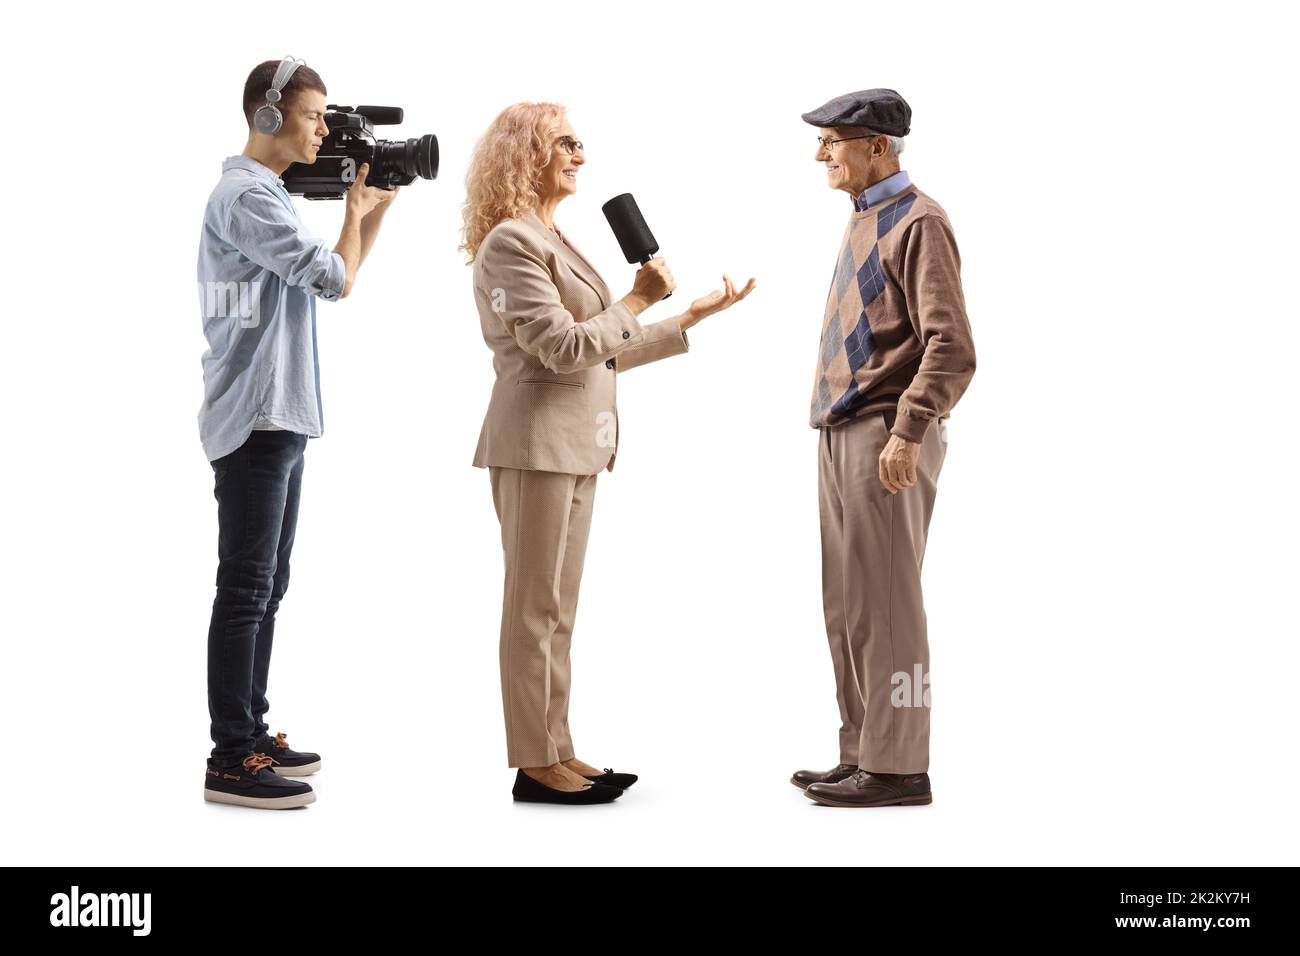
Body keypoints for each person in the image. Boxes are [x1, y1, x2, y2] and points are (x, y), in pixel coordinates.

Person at [462, 102, 755, 804]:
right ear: (523, 153)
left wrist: (684, 317)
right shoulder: (511, 243)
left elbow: (603, 352)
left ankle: (558, 749)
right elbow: (561, 348)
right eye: (563, 142)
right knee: (532, 610)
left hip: (578, 447)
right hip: (534, 445)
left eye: (580, 142)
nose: (580, 154)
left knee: (557, 610)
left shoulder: (553, 235)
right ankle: (535, 762)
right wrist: (636, 296)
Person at [197, 57, 398, 809]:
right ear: (271, 116)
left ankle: (250, 732)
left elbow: (338, 277)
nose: (325, 130)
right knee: (246, 587)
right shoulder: (248, 197)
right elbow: (331, 277)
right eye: (315, 117)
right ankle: (230, 755)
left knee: (266, 584)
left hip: (277, 412)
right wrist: (352, 211)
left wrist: (372, 209)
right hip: (256, 412)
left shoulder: (265, 197)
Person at [791, 88, 976, 808]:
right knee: (849, 604)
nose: (820, 155)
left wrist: (910, 427)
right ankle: (862, 751)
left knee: (889, 600)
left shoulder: (920, 222)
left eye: (833, 141)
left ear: (879, 147)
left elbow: (952, 347)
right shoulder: (866, 218)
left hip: (885, 433)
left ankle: (900, 767)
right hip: (841, 430)